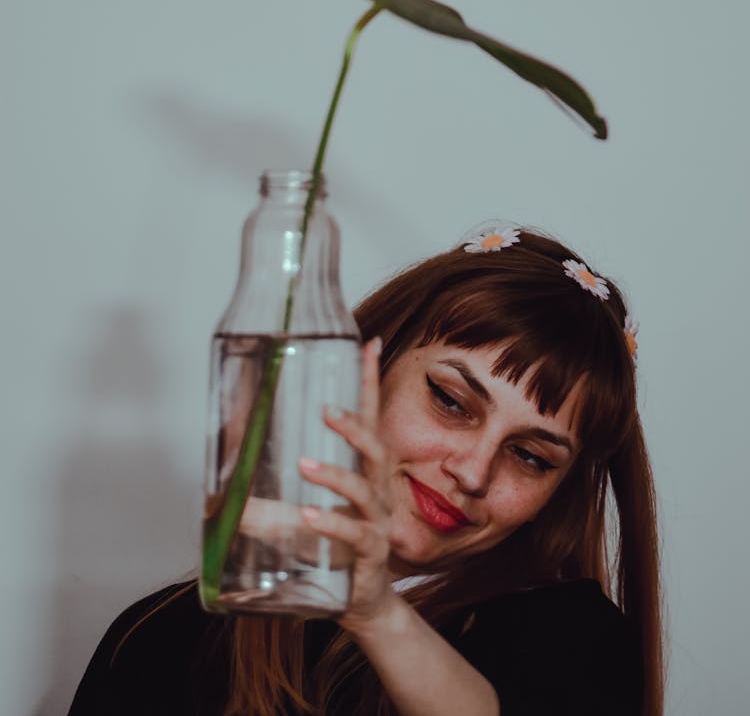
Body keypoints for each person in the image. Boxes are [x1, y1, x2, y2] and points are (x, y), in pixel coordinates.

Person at [68, 224, 663, 715]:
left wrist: (374, 611)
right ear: (363, 368)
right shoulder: (163, 636)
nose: (474, 472)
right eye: (451, 401)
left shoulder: (578, 649)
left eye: (531, 457)